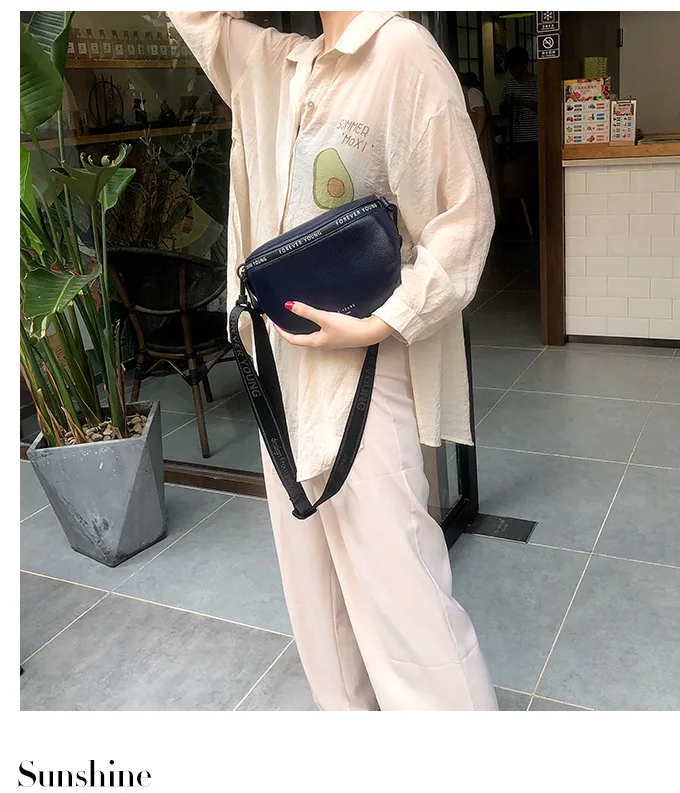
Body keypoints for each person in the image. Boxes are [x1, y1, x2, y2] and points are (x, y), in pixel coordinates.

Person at [166, 11, 498, 711]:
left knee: (403, 595)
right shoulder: (273, 65)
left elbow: (465, 216)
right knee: (316, 596)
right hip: (280, 375)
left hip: (366, 374)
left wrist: (382, 321)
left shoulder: (400, 50)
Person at [498, 47, 539, 233]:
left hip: (534, 138)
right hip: (515, 139)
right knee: (516, 182)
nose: (512, 72)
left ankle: (535, 218)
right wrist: (507, 104)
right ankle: (519, 222)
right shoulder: (509, 85)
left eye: (513, 68)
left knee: (534, 181)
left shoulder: (537, 83)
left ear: (522, 65)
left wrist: (522, 101)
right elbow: (501, 109)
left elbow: (544, 107)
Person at [460, 71, 501, 219]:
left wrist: (475, 137)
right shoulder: (475, 91)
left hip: (480, 140)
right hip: (480, 138)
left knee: (482, 174)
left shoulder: (473, 92)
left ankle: (486, 214)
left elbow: (481, 114)